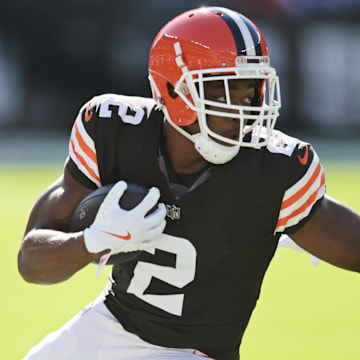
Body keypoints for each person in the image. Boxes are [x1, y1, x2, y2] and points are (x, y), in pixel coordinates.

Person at [18, 6, 360, 360]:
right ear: (174, 90)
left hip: (196, 352)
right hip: (112, 323)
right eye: (225, 93)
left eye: (249, 94)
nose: (242, 112)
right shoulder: (112, 131)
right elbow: (30, 261)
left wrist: (288, 217)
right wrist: (92, 241)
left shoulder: (274, 171)